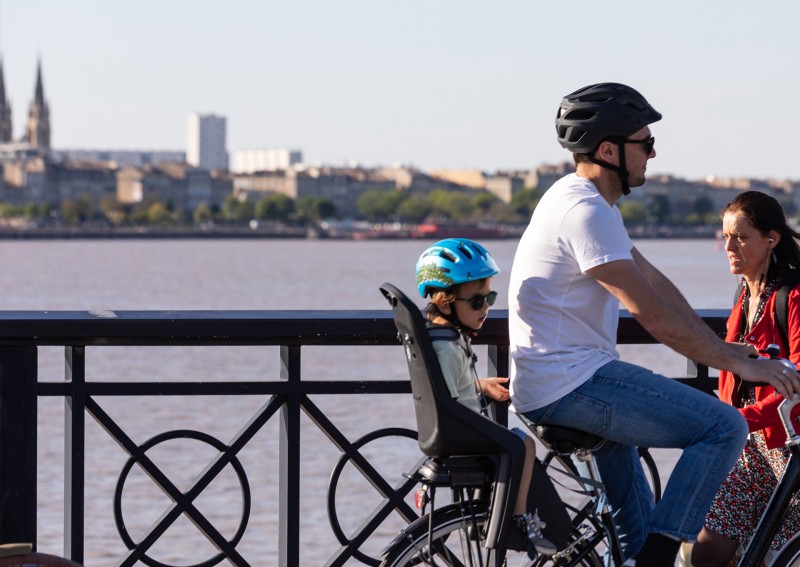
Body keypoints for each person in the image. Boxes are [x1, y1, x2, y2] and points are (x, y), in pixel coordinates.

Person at [507, 82, 800, 567]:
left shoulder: (586, 204)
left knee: (636, 530)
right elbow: (651, 312)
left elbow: (657, 284)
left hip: (562, 381)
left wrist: (722, 345)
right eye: (644, 143)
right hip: (571, 385)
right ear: (609, 150)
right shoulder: (584, 211)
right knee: (723, 427)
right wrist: (732, 361)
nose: (653, 153)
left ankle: (642, 557)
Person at [415, 237, 557, 558]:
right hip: (462, 433)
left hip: (450, 430)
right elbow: (450, 388)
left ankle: (488, 516)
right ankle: (517, 520)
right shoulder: (448, 347)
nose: (486, 308)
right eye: (477, 301)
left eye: (489, 297)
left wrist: (480, 385)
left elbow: (448, 385)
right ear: (445, 301)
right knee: (522, 444)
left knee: (513, 443)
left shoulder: (439, 338)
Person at [692, 191, 800, 567]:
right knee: (706, 552)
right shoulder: (744, 294)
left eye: (740, 236)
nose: (729, 246)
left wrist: (741, 419)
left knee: (781, 557)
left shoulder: (793, 296)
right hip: (750, 448)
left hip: (790, 449)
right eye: (725, 237)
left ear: (772, 239)